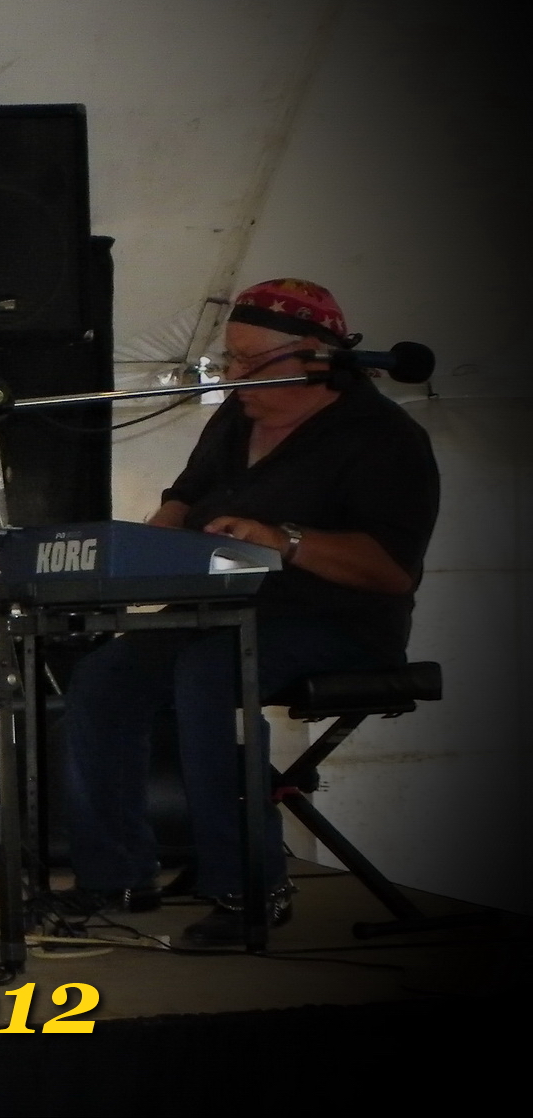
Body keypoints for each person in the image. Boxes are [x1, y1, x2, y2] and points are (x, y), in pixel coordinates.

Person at [58, 278, 439, 948]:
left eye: (252, 362)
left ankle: (249, 887)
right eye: (230, 358)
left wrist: (284, 540)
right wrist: (149, 541)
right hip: (216, 612)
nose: (234, 375)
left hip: (337, 625)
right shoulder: (236, 416)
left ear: (317, 358)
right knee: (105, 676)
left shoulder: (384, 437)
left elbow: (388, 571)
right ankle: (115, 874)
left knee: (211, 669)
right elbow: (185, 497)